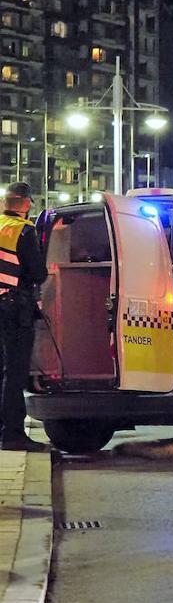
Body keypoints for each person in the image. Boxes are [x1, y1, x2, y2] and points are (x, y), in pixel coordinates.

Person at [0, 183, 46, 452]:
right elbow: (38, 272)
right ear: (27, 203)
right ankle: (13, 434)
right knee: (14, 373)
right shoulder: (24, 230)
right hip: (14, 309)